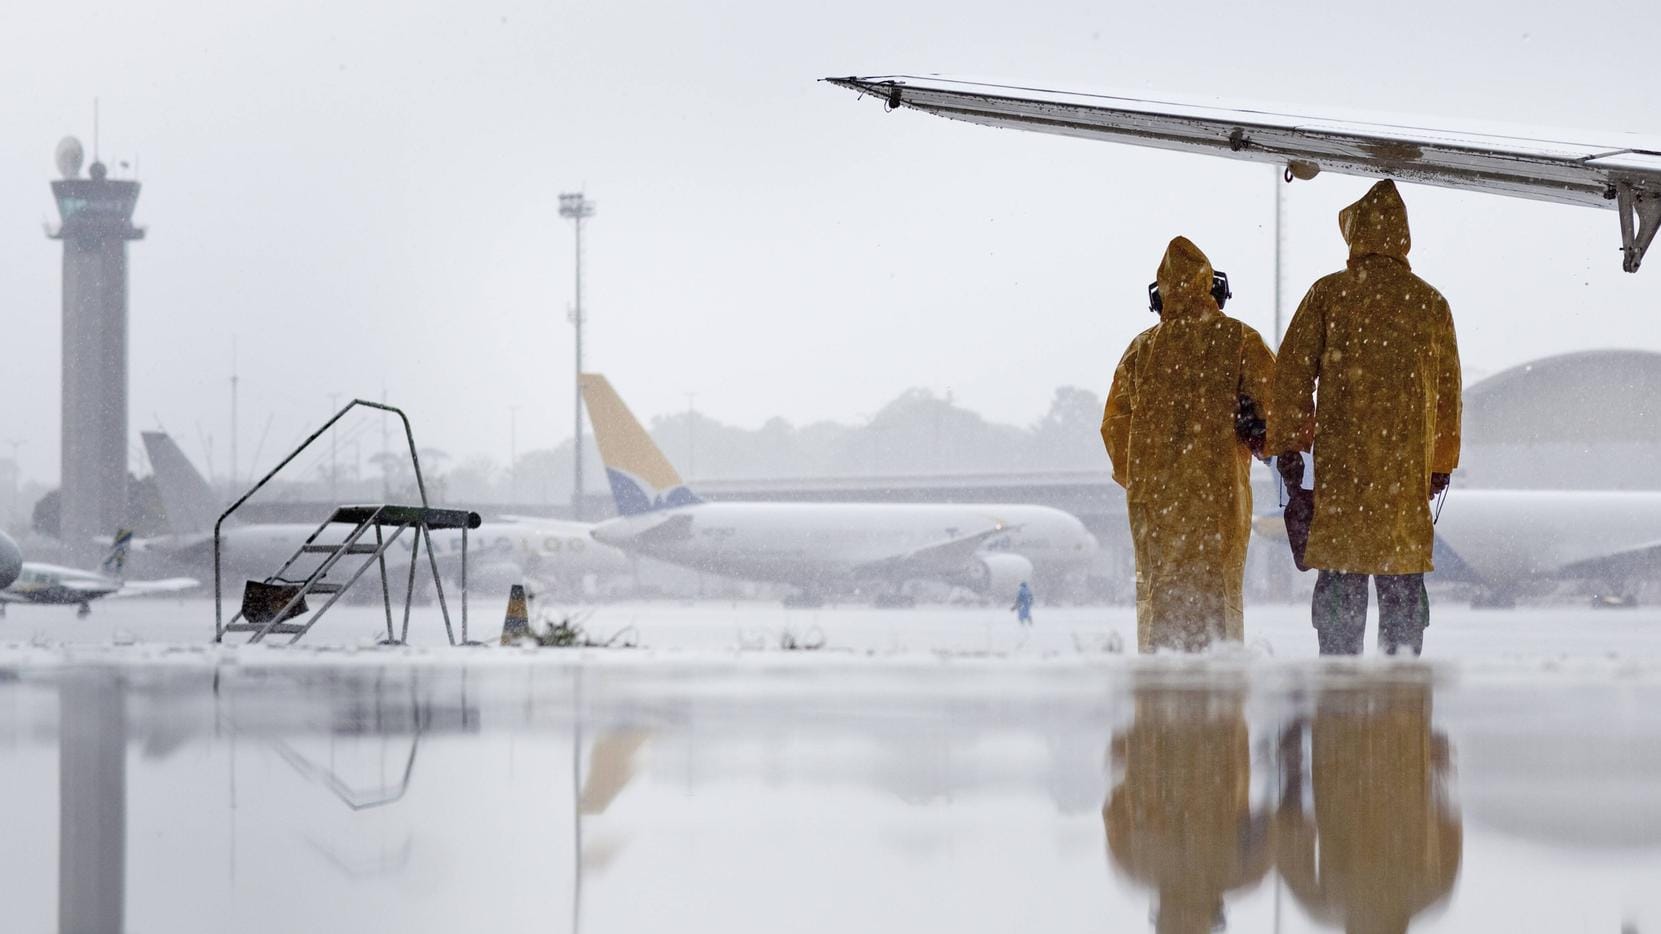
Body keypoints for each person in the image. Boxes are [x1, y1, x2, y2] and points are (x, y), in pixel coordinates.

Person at [1269, 180, 1462, 656]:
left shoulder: (1329, 294)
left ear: (1354, 234)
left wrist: (1292, 445)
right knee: (1402, 595)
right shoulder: (1431, 303)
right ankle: (1401, 699)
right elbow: (1448, 396)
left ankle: (1338, 696)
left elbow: (1292, 372)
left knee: (1340, 586)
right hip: (1404, 482)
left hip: (1344, 477)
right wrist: (1439, 463)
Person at [1102, 236, 1276, 652]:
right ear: (1213, 288)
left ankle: (1163, 698)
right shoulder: (1239, 339)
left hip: (1156, 502)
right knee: (1218, 591)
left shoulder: (1140, 351)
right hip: (1220, 496)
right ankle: (1217, 691)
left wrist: (1143, 478)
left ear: (1158, 296)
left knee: (1161, 593)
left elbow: (1114, 427)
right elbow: (1275, 410)